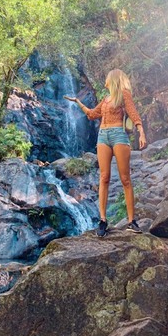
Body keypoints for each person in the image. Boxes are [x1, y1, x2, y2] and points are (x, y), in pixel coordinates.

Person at [65, 69, 146, 237]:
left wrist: (141, 131)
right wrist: (78, 102)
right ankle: (102, 220)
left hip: (118, 134)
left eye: (107, 77)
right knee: (104, 177)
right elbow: (92, 114)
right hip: (103, 136)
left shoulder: (123, 94)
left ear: (113, 79)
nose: (105, 80)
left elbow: (133, 113)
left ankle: (132, 221)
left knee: (125, 179)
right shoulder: (106, 99)